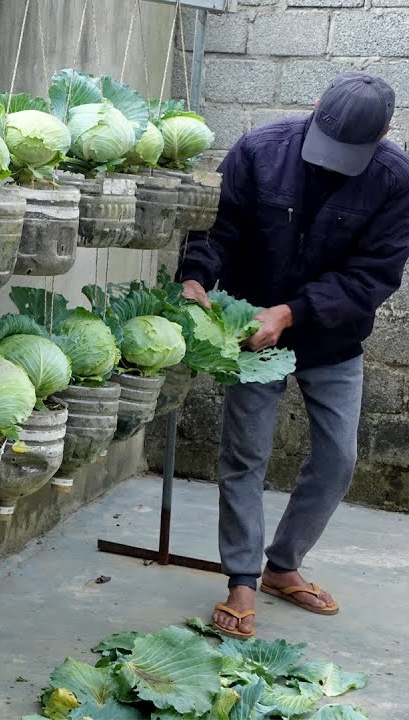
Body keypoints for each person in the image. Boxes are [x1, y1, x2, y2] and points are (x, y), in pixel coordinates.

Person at [178, 71, 409, 639]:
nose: (332, 163)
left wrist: (291, 312)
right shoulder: (259, 150)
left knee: (338, 460)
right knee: (245, 455)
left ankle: (283, 566)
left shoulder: (395, 180)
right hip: (250, 337)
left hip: (331, 338)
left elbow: (374, 275)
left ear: (384, 133)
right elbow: (215, 230)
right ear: (313, 107)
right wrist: (194, 279)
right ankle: (241, 579)